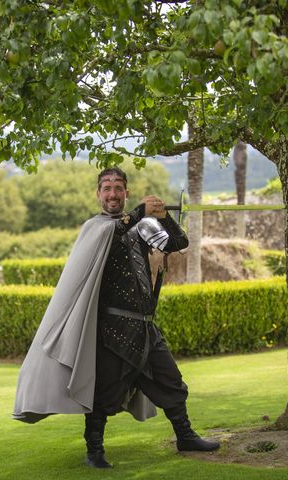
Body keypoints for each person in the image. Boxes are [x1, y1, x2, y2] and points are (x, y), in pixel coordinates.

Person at [13, 167, 220, 468]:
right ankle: (94, 451)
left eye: (118, 188)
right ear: (98, 194)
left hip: (145, 329)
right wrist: (141, 212)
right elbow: (116, 230)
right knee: (103, 394)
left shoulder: (138, 228)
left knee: (172, 383)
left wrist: (163, 216)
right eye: (107, 188)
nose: (112, 193)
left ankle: (185, 436)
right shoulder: (97, 228)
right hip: (112, 332)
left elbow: (178, 243)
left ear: (126, 192)